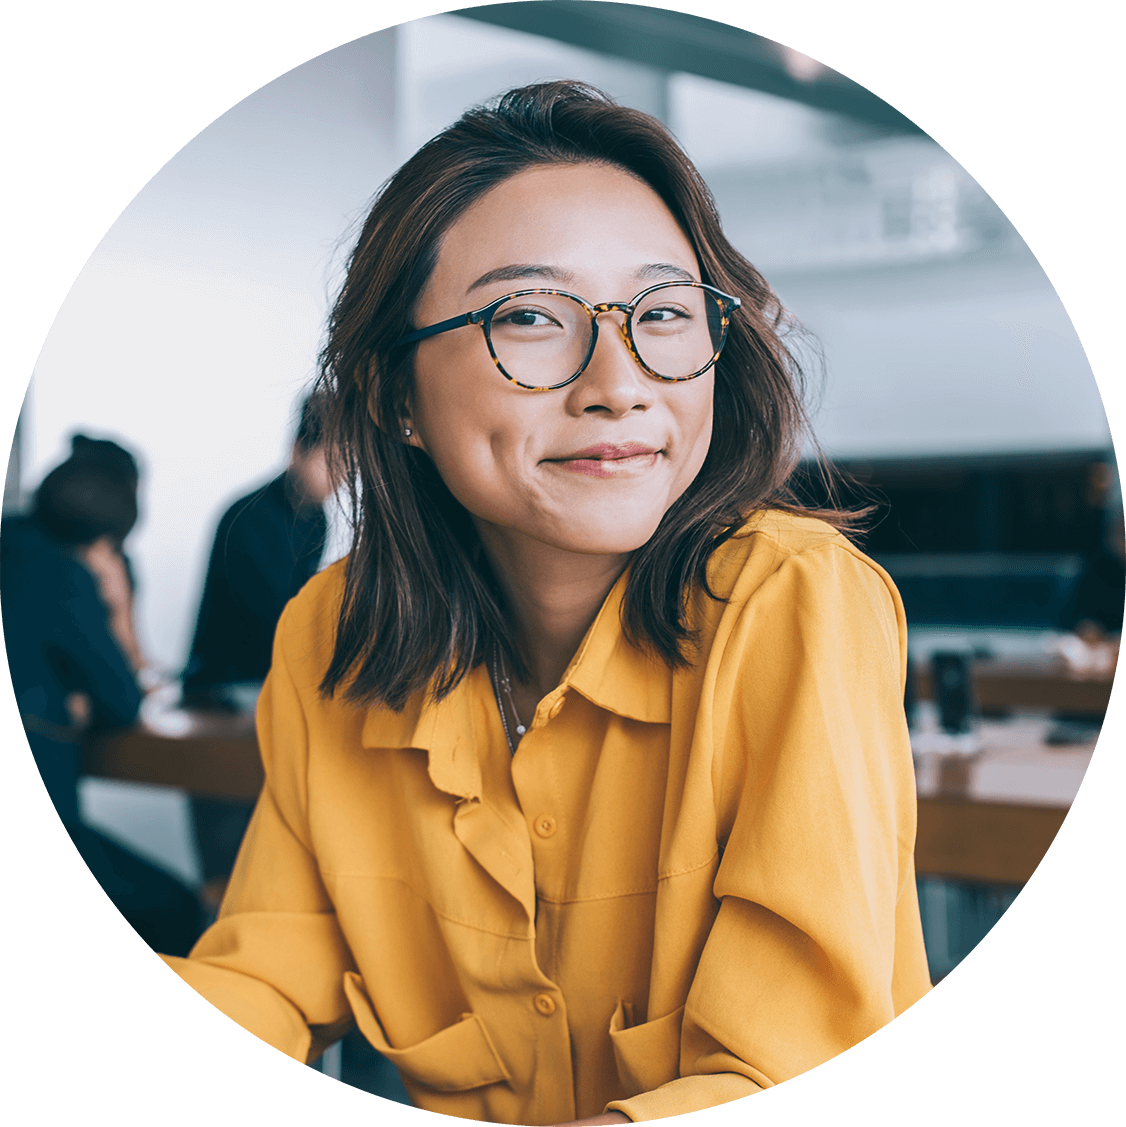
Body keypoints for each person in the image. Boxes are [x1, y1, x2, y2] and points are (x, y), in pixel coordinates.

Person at [160, 82, 933, 1122]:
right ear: (393, 395)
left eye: (664, 312)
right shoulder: (332, 632)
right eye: (528, 315)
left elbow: (783, 1060)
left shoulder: (792, 601)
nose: (619, 382)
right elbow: (267, 972)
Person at [3, 436, 204, 956]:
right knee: (176, 906)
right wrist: (118, 605)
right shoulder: (68, 577)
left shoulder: (12, 541)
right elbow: (122, 704)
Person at [180, 394, 334, 914]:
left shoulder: (316, 520)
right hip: (223, 696)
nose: (342, 478)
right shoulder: (248, 517)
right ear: (297, 451)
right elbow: (279, 624)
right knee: (228, 876)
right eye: (334, 461)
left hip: (265, 691)